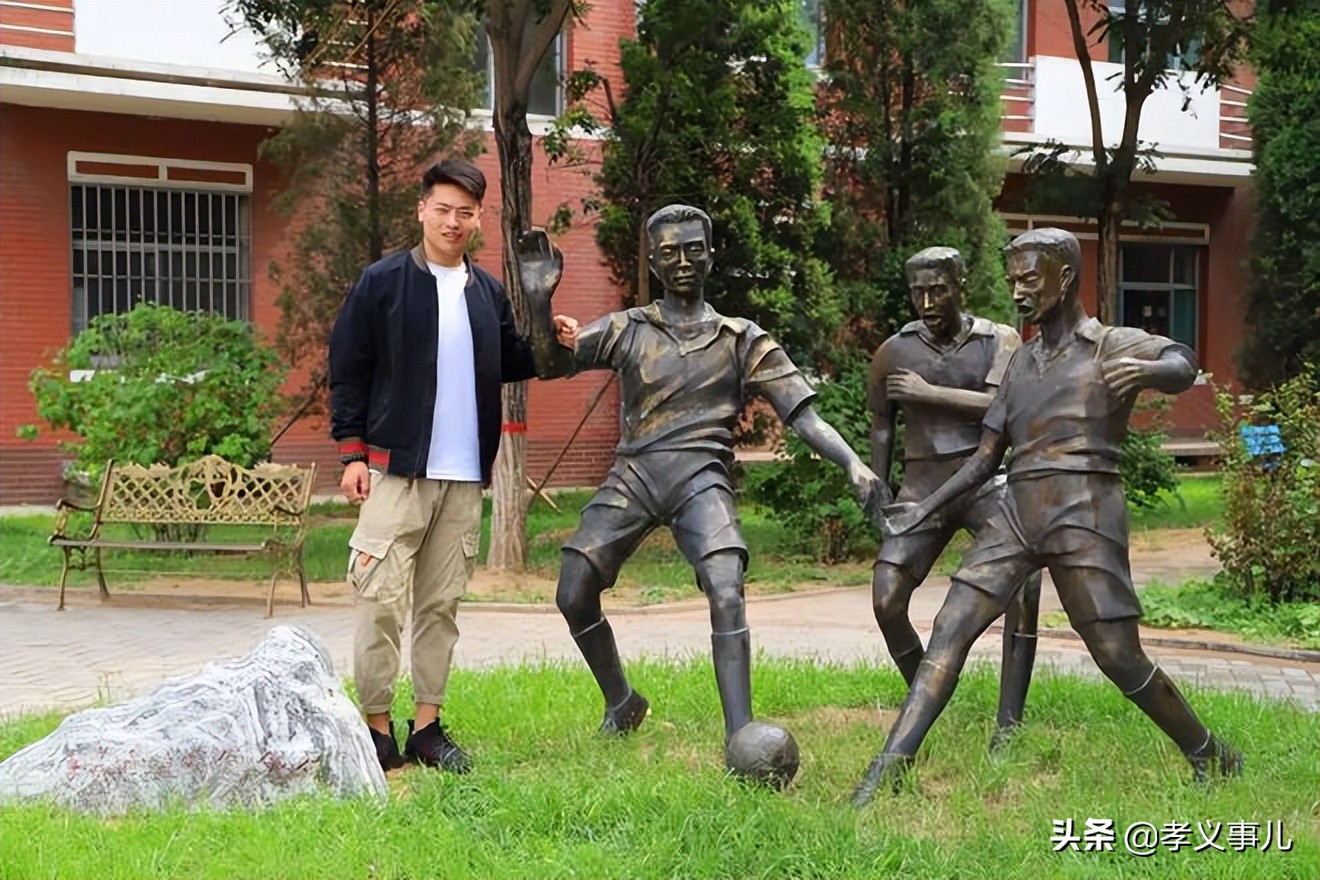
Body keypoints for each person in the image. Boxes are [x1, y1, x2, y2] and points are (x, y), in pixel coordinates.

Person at [852, 228, 1242, 805]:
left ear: (1065, 276)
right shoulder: (1021, 363)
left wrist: (1149, 373)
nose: (1018, 292)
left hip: (1085, 509)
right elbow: (985, 459)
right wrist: (922, 511)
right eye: (1012, 281)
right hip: (1017, 513)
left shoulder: (1108, 343)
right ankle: (888, 770)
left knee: (1117, 655)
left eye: (1029, 279)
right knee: (950, 626)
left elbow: (1181, 359)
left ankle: (1209, 752)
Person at [516, 204, 886, 763]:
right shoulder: (629, 329)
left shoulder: (741, 339)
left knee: (726, 586)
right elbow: (548, 365)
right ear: (654, 264)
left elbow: (804, 418)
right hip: (636, 473)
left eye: (694, 249)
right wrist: (539, 301)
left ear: (711, 256)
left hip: (700, 477)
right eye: (669, 252)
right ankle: (621, 701)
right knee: (573, 591)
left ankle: (741, 732)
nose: (683, 261)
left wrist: (853, 464)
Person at [328, 156, 577, 773]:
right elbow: (348, 368)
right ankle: (377, 729)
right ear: (422, 210)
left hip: (464, 477)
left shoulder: (485, 292)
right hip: (396, 472)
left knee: (440, 606)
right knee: (380, 602)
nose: (452, 221)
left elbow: (512, 359)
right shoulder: (382, 283)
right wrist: (352, 451)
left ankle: (427, 729)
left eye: (464, 212)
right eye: (442, 208)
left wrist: (552, 338)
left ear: (477, 218)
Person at [869, 247, 1042, 747]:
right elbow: (882, 425)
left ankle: (1009, 725)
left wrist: (927, 393)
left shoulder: (998, 339)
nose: (926, 302)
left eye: (937, 290)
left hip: (987, 481)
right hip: (922, 485)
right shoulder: (894, 351)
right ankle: (925, 695)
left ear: (960, 284)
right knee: (886, 597)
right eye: (918, 292)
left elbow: (1001, 407)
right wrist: (879, 488)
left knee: (1024, 586)